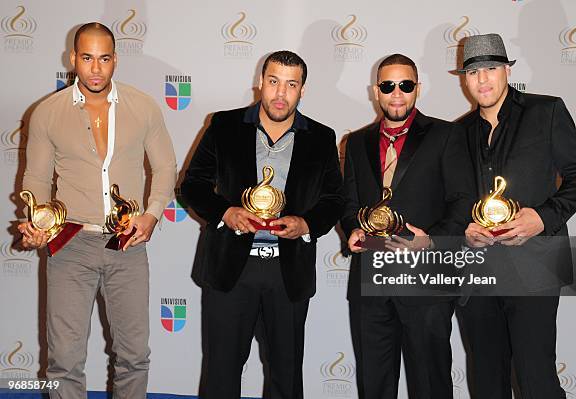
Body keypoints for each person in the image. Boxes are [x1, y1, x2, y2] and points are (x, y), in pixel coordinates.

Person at [18, 22, 177, 399]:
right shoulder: (46, 113)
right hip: (70, 244)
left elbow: (166, 167)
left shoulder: (143, 107)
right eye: (87, 58)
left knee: (134, 356)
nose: (95, 69)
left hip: (127, 244)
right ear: (72, 59)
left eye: (103, 59)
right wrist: (36, 222)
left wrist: (152, 214)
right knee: (64, 360)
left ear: (115, 61)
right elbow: (37, 180)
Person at [180, 50, 343, 399]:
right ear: (260, 82)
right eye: (273, 82)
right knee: (221, 374)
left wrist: (306, 223)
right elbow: (192, 184)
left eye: (291, 84)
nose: (280, 93)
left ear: (303, 90)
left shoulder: (322, 137)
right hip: (230, 270)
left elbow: (334, 200)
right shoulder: (224, 125)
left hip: (287, 273)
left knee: (286, 376)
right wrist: (225, 212)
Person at [456, 33, 576, 399]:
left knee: (536, 380)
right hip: (478, 271)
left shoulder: (546, 111)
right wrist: (464, 229)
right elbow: (455, 200)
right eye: (473, 72)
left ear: (506, 70)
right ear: (463, 79)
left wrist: (543, 218)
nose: (482, 79)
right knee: (486, 381)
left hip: (536, 266)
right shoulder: (458, 133)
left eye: (490, 68)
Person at [341, 54, 475, 399]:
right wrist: (353, 229)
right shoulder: (356, 141)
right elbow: (349, 203)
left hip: (426, 280)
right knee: (374, 383)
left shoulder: (447, 134)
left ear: (418, 88)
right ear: (376, 91)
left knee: (430, 384)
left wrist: (432, 241)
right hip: (371, 281)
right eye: (388, 86)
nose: (396, 93)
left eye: (405, 85)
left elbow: (463, 201)